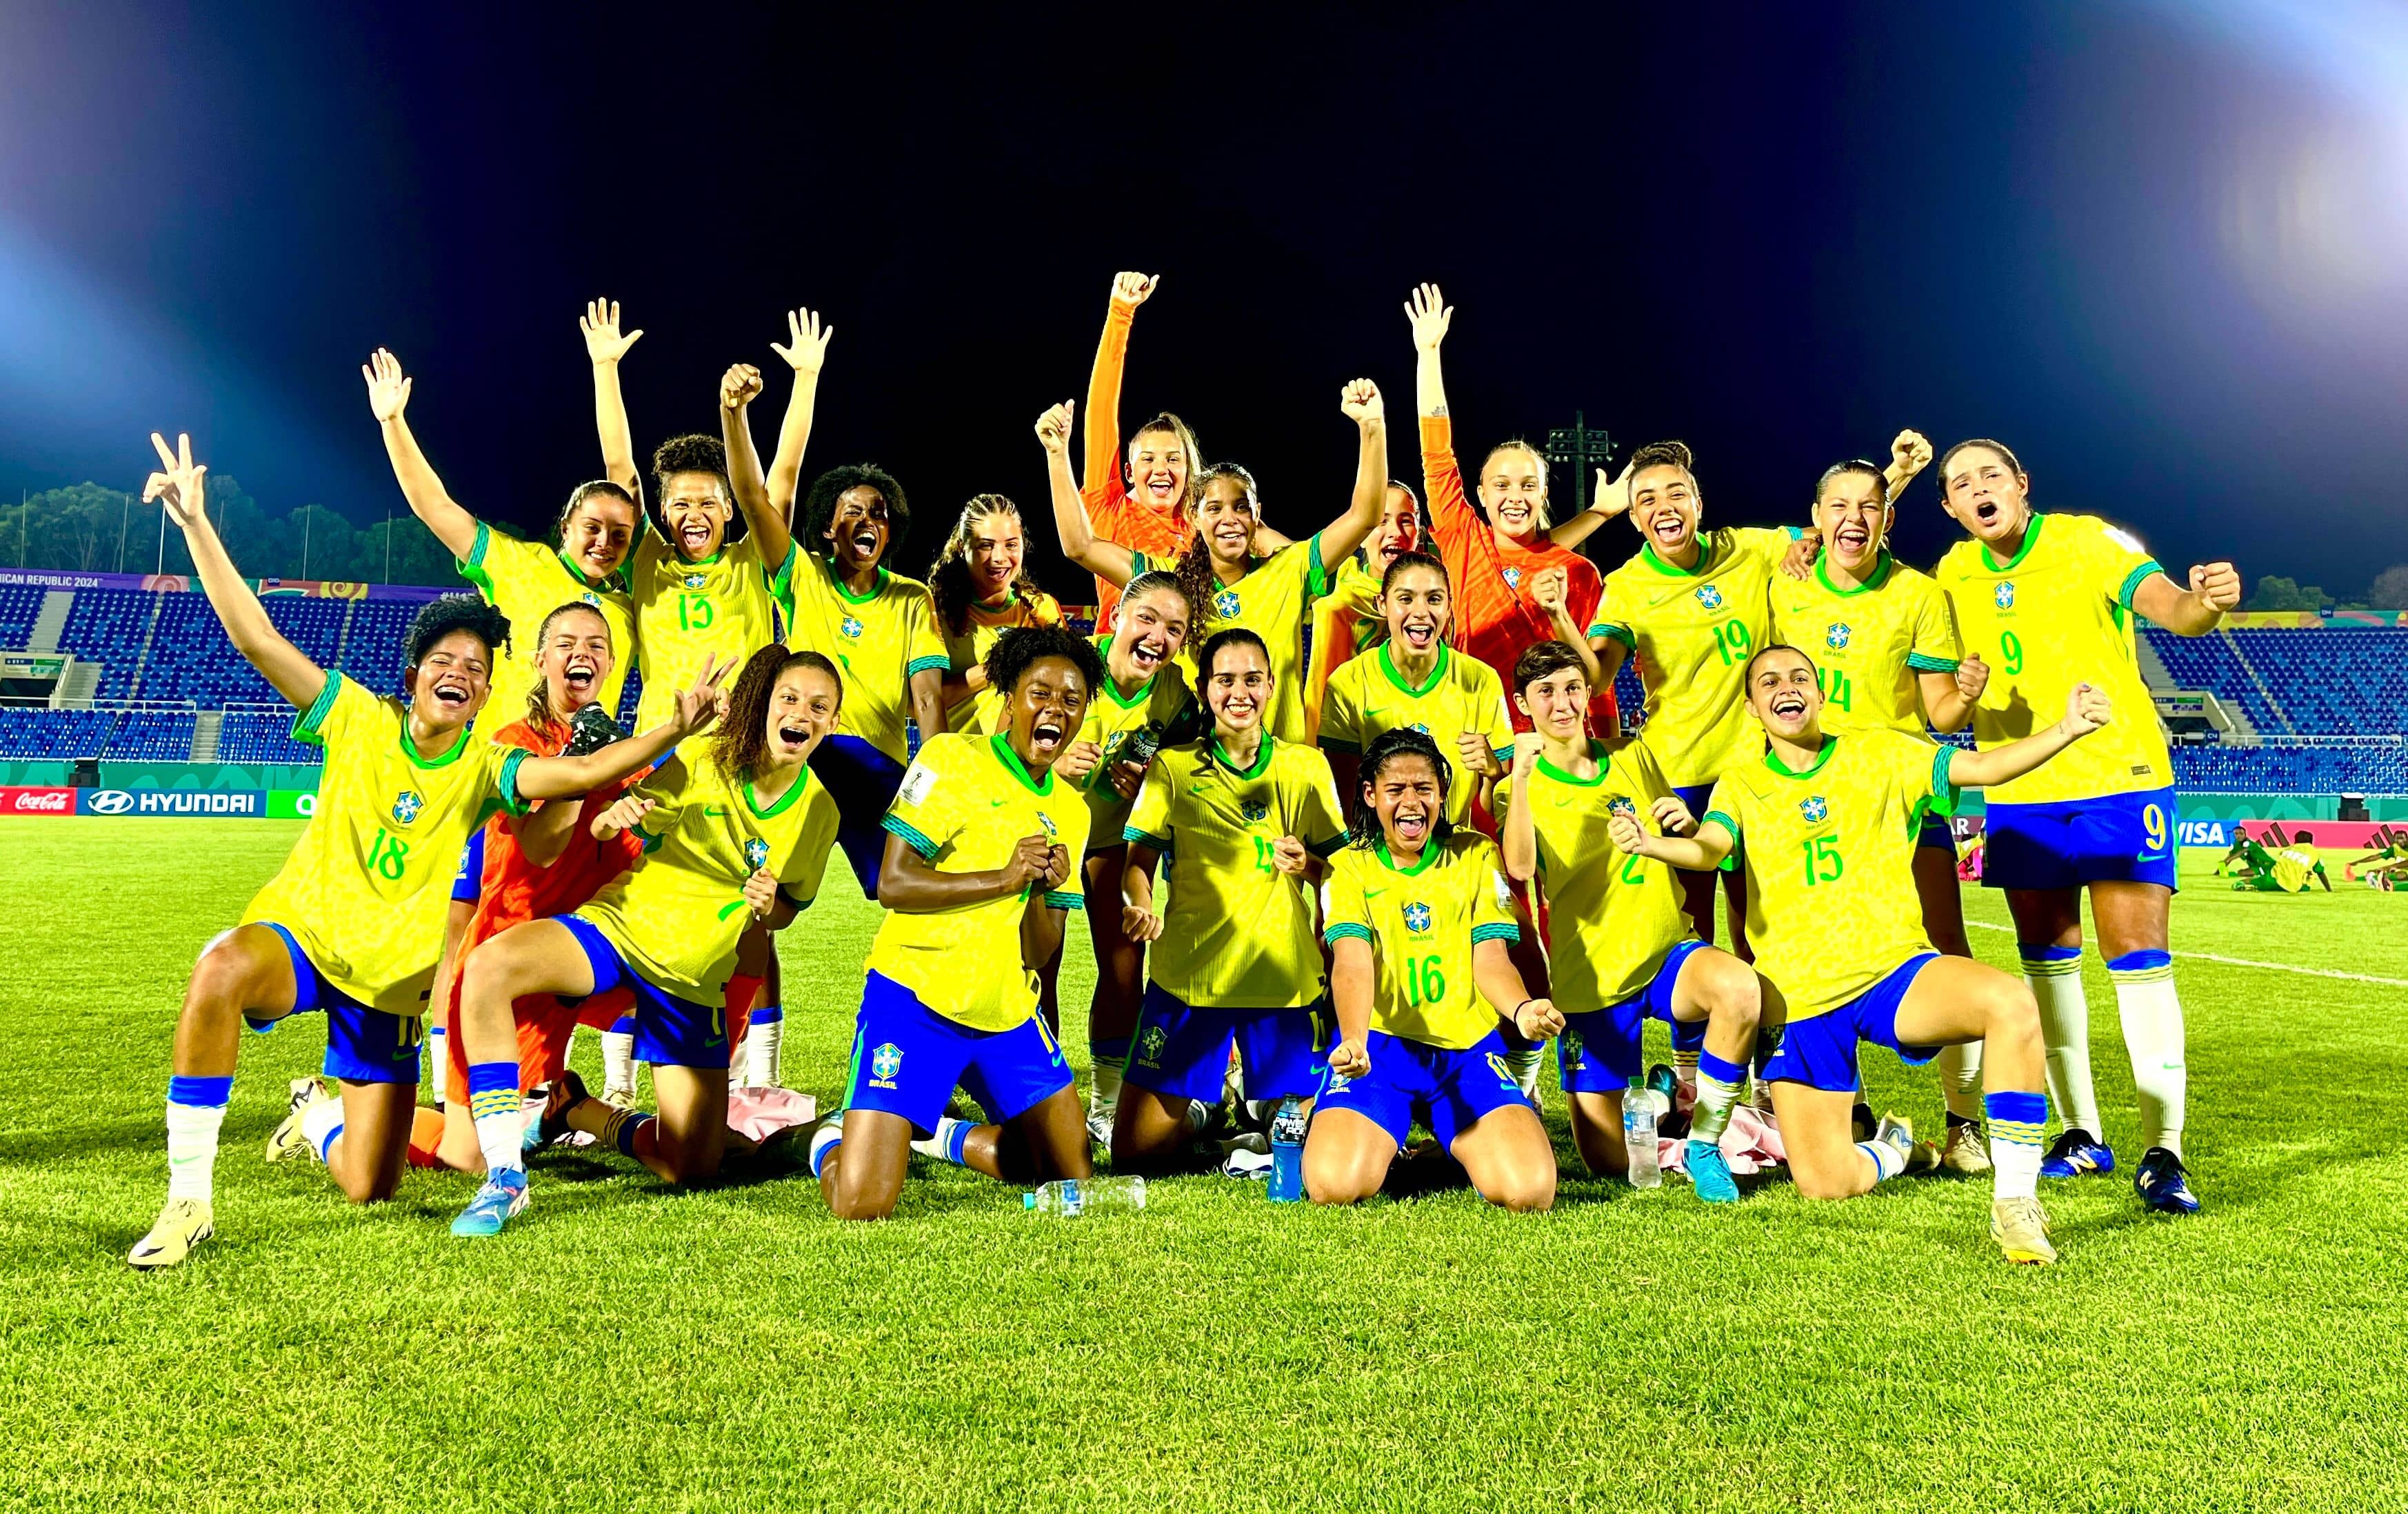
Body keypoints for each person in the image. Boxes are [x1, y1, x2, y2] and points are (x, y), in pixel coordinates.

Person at [128, 434, 725, 1267]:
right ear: (412, 675)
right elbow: (258, 639)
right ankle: (187, 1200)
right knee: (223, 965)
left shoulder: (491, 763)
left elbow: (585, 770)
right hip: (314, 937)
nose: (459, 673)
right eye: (443, 661)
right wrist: (197, 524)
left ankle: (324, 1115)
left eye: (475, 668)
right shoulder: (355, 717)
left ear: (486, 689)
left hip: (392, 987)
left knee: (373, 1184)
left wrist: (674, 728)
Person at [1618, 644, 2118, 1264]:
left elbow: (1983, 768)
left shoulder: (1880, 751)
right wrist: (1654, 845)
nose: (1786, 686)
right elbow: (1711, 849)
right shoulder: (1741, 782)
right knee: (1825, 1183)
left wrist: (2066, 729)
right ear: (1753, 707)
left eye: (1800, 676)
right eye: (1769, 681)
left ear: (1820, 692)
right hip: (1797, 1002)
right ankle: (1896, 1147)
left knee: (2010, 1004)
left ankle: (2014, 1202)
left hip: (1891, 973)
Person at [1932, 438, 2240, 1215]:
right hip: (2019, 784)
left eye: (1991, 474)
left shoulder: (2089, 541)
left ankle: (2164, 1152)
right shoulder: (1953, 573)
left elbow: (2172, 607)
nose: (1979, 489)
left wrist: (2206, 601)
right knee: (2048, 967)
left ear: (2022, 481)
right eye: (1961, 483)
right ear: (1950, 507)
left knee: (2138, 958)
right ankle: (2082, 1134)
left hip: (2117, 776)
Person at [453, 645, 843, 1188]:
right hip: (621, 930)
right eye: (790, 698)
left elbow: (785, 913)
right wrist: (616, 817)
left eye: (818, 706)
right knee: (491, 965)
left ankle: (575, 1108)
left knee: (691, 1167)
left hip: (693, 979)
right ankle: (503, 1171)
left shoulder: (821, 812)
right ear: (768, 703)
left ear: (834, 721)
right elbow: (608, 828)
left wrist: (769, 901)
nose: (801, 713)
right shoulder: (707, 757)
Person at [810, 628, 1105, 1220]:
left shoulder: (1072, 810)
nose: (1055, 710)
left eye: (1071, 701)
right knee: (861, 1203)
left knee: (1065, 1175)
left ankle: (939, 1134)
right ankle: (826, 1141)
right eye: (1039, 693)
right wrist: (1003, 877)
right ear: (1008, 699)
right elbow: (894, 884)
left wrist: (1044, 893)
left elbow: (1040, 952)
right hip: (915, 998)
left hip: (1005, 1012)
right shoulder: (946, 758)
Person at [347, 602, 647, 1177]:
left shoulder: (624, 756)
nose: (581, 653)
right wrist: (584, 764)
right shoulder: (514, 745)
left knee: (688, 976)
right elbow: (542, 848)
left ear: (612, 664)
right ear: (540, 661)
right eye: (565, 643)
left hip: (569, 959)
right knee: (466, 1156)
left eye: (596, 645)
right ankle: (326, 1113)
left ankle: (688, 1100)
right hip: (502, 966)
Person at [1769, 446, 1996, 1171]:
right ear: (1815, 518)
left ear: (1889, 516)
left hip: (1902, 795)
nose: (1853, 518)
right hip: (1807, 800)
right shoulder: (1786, 587)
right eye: (1838, 506)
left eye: (1869, 506)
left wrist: (1966, 691)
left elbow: (1939, 708)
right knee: (1810, 950)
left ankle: (1965, 1124)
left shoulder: (1921, 596)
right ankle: (1853, 1107)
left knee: (1945, 941)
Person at [1496, 641, 1760, 1201]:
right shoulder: (1514, 787)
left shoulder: (1633, 756)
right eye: (1545, 692)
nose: (1562, 703)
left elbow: (1678, 832)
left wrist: (1684, 823)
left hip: (1666, 949)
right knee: (1608, 1160)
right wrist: (1518, 778)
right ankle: (1664, 1099)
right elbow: (1519, 867)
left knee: (1739, 988)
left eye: (1572, 687)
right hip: (1592, 978)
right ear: (1524, 703)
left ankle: (1705, 1144)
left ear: (1587, 692)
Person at [1047, 379, 1389, 744]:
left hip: (1282, 770)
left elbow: (1365, 517)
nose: (1229, 518)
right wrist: (1057, 454)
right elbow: (1079, 546)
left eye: (1241, 507)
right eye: (1214, 509)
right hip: (1202, 771)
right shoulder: (1168, 581)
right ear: (1194, 517)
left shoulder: (1292, 568)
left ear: (1258, 515)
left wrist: (1372, 428)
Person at [1117, 628, 1347, 1171]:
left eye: (1251, 679)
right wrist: (1139, 903)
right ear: (1204, 689)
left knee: (1319, 1150)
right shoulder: (1172, 767)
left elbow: (1345, 873)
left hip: (1284, 984)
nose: (1238, 692)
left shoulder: (1305, 766)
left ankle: (1253, 1108)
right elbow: (1137, 865)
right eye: (1224, 680)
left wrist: (1310, 865)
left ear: (1271, 686)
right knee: (1136, 1154)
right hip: (1191, 981)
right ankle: (1212, 1110)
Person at [1305, 728, 1562, 1211]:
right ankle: (1359, 1123)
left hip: (1463, 1054)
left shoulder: (1477, 854)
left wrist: (1522, 1008)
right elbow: (1353, 965)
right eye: (1395, 790)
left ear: (1442, 794)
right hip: (1380, 1050)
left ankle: (1442, 1146)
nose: (1411, 803)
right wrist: (1355, 1039)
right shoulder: (1347, 867)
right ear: (1370, 795)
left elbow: (1490, 961)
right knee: (1332, 1185)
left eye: (1424, 789)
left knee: (1530, 1191)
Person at [725, 350, 947, 901]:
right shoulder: (803, 575)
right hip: (808, 757)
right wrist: (734, 413)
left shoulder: (911, 598)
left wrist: (937, 781)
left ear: (890, 532)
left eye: (878, 514)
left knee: (899, 890)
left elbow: (927, 701)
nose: (867, 521)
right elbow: (754, 500)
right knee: (760, 894)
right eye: (853, 512)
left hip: (876, 771)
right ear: (828, 528)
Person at [363, 340, 640, 716]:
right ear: (565, 528)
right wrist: (393, 423)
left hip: (587, 773)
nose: (604, 542)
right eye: (592, 527)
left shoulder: (629, 610)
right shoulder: (516, 563)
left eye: (619, 535)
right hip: (506, 767)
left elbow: (623, 470)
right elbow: (435, 507)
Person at [1023, 568, 1196, 1146]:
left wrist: (1153, 774)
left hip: (1110, 841)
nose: (1157, 636)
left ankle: (1105, 1102)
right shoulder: (1069, 663)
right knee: (1035, 969)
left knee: (1124, 971)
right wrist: (1052, 758)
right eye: (1146, 618)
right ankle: (1035, 1095)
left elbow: (1190, 759)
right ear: (1116, 618)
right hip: (1044, 831)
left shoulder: (1173, 693)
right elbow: (1006, 734)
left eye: (1174, 628)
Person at [1401, 283, 1609, 735]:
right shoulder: (1462, 537)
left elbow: (1600, 684)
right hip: (1472, 735)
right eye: (1502, 485)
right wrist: (1429, 354)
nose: (1515, 496)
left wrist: (1611, 752)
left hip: (1553, 747)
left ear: (1544, 494)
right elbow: (1436, 452)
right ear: (1480, 493)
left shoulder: (1580, 573)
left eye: (1527, 485)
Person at [596, 307, 810, 735]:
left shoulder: (751, 559)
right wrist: (605, 368)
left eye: (708, 504)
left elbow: (781, 482)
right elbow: (621, 469)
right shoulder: (646, 559)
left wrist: (806, 378)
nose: (694, 515)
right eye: (681, 505)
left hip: (738, 750)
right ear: (662, 512)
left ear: (729, 509)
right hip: (657, 757)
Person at [1076, 272, 1288, 624]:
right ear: (1129, 472)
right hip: (1122, 664)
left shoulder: (1206, 521)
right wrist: (1120, 314)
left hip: (1188, 665)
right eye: (1149, 459)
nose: (1161, 468)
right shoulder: (1108, 510)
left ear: (1189, 471)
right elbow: (1100, 414)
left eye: (1174, 459)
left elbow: (1288, 557)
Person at [1318, 550, 1515, 828]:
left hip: (1453, 853)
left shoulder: (1481, 680)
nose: (1421, 612)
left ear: (1449, 606)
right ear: (1382, 604)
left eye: (1434, 599)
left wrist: (1494, 773)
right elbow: (1347, 802)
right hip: (1378, 852)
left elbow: (1497, 807)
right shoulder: (1347, 683)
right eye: (1405, 598)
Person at [929, 493, 1063, 735]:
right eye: (986, 546)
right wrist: (993, 669)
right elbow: (916, 703)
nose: (999, 558)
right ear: (962, 548)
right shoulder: (936, 612)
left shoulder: (1042, 610)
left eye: (1011, 545)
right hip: (960, 760)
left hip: (1024, 766)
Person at [1307, 480, 1425, 737]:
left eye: (1406, 521)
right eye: (1381, 521)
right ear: (1361, 536)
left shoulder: (1441, 599)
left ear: (1419, 533)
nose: (1395, 532)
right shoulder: (1336, 604)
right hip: (1354, 739)